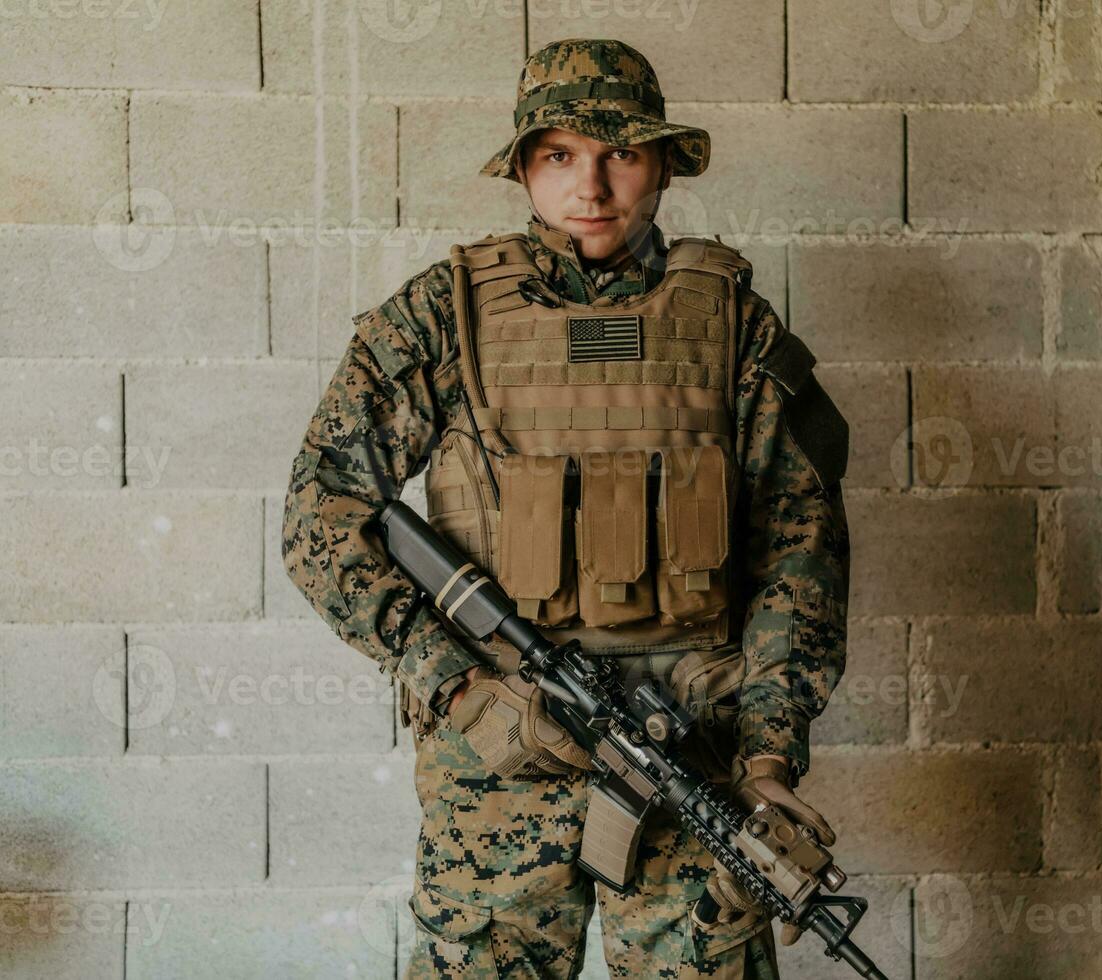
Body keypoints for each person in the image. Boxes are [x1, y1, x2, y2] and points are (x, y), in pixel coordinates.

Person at [282, 37, 851, 979]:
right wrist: (453, 683)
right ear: (522, 168)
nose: (591, 186)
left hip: (694, 763)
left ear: (665, 162)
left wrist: (767, 760)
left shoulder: (735, 327)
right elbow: (321, 507)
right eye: (560, 156)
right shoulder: (444, 315)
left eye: (621, 153)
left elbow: (802, 553)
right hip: (498, 775)